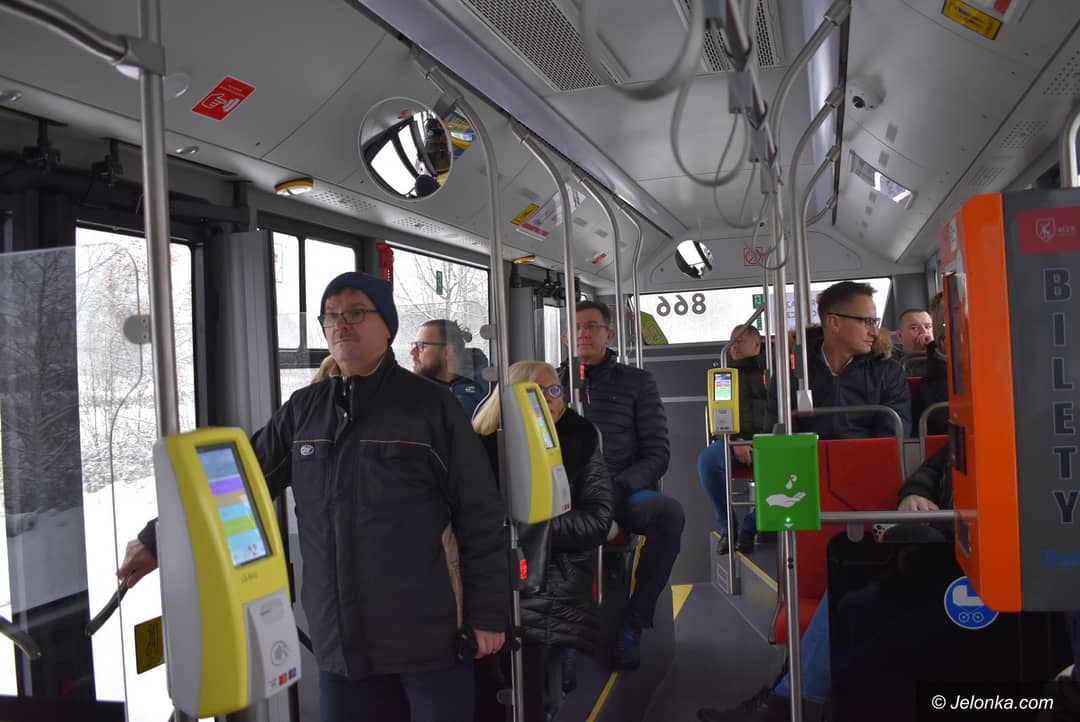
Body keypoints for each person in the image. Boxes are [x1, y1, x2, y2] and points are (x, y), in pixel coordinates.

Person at [117, 272, 509, 722]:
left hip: (426, 635)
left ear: (387, 326)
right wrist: (157, 538)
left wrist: (487, 614)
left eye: (356, 313)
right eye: (331, 316)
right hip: (340, 639)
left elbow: (480, 512)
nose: (341, 324)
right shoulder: (304, 410)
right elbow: (237, 483)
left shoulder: (431, 407)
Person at [697, 446, 951, 722]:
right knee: (849, 594)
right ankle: (789, 695)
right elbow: (932, 469)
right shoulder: (962, 439)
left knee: (853, 596)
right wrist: (916, 492)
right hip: (937, 542)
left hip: (957, 554)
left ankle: (790, 701)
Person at [471, 361, 614, 722]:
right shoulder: (479, 442)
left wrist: (529, 527)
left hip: (552, 573)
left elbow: (597, 520)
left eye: (554, 390)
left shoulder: (580, 438)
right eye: (538, 392)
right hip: (489, 573)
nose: (550, 398)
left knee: (529, 668)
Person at [559, 300, 683, 671]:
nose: (583, 334)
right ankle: (564, 631)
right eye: (576, 328)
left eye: (591, 327)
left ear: (609, 334)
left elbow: (657, 453)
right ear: (565, 336)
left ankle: (634, 622)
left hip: (621, 489)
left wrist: (614, 488)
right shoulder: (551, 384)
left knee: (668, 515)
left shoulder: (637, 382)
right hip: (565, 492)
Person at [770, 281, 911, 439]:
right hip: (807, 454)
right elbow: (777, 432)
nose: (875, 332)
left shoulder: (888, 372)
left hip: (868, 454)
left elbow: (893, 435)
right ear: (834, 323)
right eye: (867, 322)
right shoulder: (791, 372)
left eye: (874, 322)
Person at [697, 324, 769, 554]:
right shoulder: (724, 376)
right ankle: (728, 527)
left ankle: (751, 525)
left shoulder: (774, 371)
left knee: (786, 469)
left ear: (756, 345)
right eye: (731, 341)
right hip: (733, 440)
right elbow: (719, 414)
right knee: (708, 461)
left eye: (739, 340)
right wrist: (736, 440)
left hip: (769, 441)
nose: (733, 346)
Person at [412, 319, 488, 419]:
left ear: (448, 352)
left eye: (421, 346)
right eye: (414, 345)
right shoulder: (417, 392)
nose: (413, 352)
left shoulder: (490, 392)